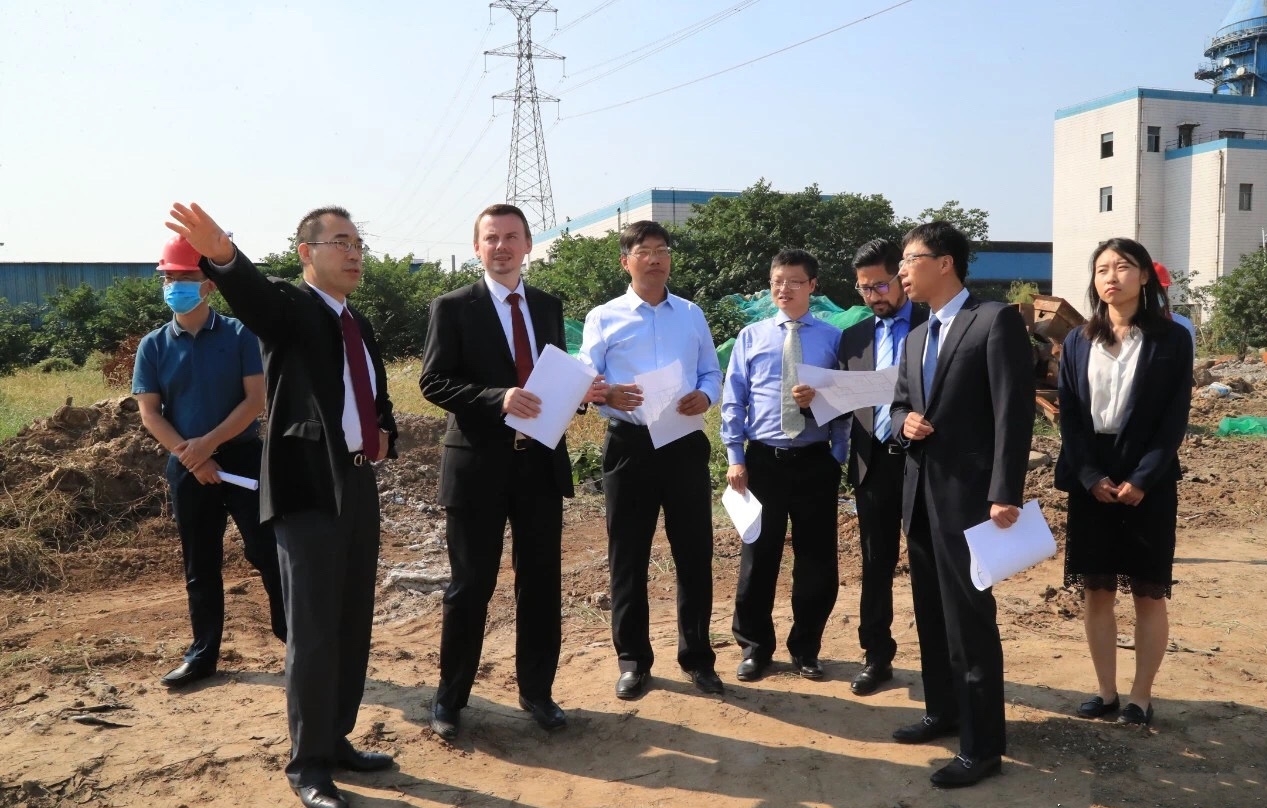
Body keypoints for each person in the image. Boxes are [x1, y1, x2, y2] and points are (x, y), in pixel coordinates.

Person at [166, 203, 397, 808]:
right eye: (340, 242)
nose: (353, 253)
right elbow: (254, 298)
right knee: (314, 632)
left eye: (358, 243)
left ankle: (336, 738)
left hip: (358, 485)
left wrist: (384, 430)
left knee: (351, 623)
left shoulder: (357, 321)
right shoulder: (292, 308)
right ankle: (309, 765)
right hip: (307, 491)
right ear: (306, 254)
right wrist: (222, 256)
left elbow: (372, 393)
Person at [420, 203, 607, 742]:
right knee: (470, 585)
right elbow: (434, 381)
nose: (501, 247)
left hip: (539, 464)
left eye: (511, 237)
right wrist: (497, 398)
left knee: (541, 584)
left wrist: (579, 394)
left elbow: (550, 378)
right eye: (491, 238)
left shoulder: (546, 306)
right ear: (477, 247)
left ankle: (538, 691)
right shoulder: (453, 307)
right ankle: (451, 697)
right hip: (477, 466)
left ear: (528, 245)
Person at [889, 221, 1034, 788]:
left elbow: (1012, 412)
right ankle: (943, 711)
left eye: (910, 259)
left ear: (944, 262)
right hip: (920, 499)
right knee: (931, 613)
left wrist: (1005, 491)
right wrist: (904, 422)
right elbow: (900, 406)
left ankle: (982, 746)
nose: (902, 270)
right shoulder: (916, 337)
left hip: (970, 500)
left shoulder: (992, 321)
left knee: (970, 622)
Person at [578, 220, 724, 700]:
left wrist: (706, 395)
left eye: (663, 250)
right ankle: (633, 660)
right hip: (630, 445)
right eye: (645, 251)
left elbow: (711, 371)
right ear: (626, 261)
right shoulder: (604, 316)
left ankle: (697, 657)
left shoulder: (691, 314)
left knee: (694, 552)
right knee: (628, 555)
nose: (656, 258)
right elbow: (586, 376)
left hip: (683, 441)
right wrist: (605, 395)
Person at [133, 235, 286, 689]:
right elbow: (150, 413)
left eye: (185, 276)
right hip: (187, 466)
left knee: (266, 552)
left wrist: (209, 445)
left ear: (209, 284)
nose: (174, 285)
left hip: (243, 458)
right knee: (200, 564)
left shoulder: (240, 335)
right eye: (169, 277)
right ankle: (202, 655)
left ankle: (295, 639)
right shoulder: (153, 345)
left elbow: (255, 400)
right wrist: (192, 456)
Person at [1056, 238, 1192, 729]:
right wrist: (1090, 475)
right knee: (1097, 591)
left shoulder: (1171, 339)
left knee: (1148, 592)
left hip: (1147, 477)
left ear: (1144, 276)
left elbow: (1174, 419)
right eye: (1102, 269)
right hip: (1091, 473)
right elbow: (1070, 416)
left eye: (1122, 266)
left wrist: (1142, 479)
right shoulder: (1078, 340)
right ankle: (1106, 691)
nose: (1111, 277)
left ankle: (1140, 697)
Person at [721, 249, 847, 682]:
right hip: (763, 462)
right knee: (758, 557)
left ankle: (806, 647)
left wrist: (838, 454)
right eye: (777, 281)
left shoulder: (833, 338)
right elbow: (734, 399)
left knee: (816, 560)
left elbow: (844, 399)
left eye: (794, 281)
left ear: (813, 285)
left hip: (815, 461)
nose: (784, 289)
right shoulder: (751, 336)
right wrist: (735, 457)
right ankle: (755, 647)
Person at [835, 239, 927, 696]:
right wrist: (817, 399)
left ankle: (941, 657)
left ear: (901, 278)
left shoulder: (933, 325)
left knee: (929, 562)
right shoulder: (853, 338)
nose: (873, 296)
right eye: (864, 288)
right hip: (872, 465)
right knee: (875, 564)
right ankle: (876, 655)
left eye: (880, 285)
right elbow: (843, 402)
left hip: (924, 463)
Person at [1151, 262, 1198, 360]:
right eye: (1149, 290)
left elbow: (1187, 363)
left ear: (1166, 291)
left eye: (1159, 289)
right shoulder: (1128, 327)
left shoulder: (1183, 326)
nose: (1153, 294)